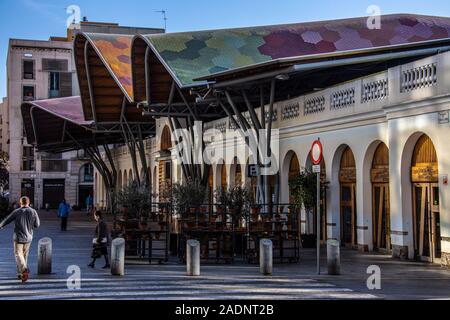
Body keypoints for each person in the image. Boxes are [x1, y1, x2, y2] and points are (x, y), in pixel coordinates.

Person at [0, 196, 40, 283]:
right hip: (29, 237)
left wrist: (1, 225)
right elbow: (37, 225)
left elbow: (7, 220)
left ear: (20, 203)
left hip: (18, 237)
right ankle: (21, 274)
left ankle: (24, 269)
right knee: (24, 255)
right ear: (28, 203)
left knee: (18, 254)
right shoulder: (33, 211)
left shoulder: (16, 212)